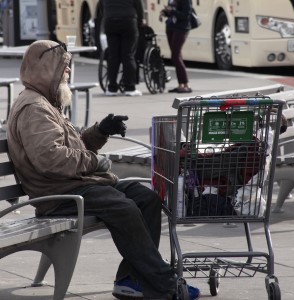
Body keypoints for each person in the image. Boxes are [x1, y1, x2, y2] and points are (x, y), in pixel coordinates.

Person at [6, 40, 200, 300]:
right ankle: (164, 284)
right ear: (46, 69)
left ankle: (130, 279)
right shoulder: (34, 108)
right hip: (58, 193)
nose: (68, 73)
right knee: (123, 207)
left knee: (146, 198)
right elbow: (51, 159)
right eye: (64, 68)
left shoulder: (45, 102)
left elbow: (70, 149)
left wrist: (101, 132)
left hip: (76, 183)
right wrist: (94, 162)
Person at [99, 0, 144, 97]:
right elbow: (139, 7)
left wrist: (109, 15)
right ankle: (130, 88)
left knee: (113, 56)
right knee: (128, 55)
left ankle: (112, 88)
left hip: (110, 21)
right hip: (128, 21)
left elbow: (101, 7)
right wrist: (139, 21)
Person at [159, 0, 193, 93]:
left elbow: (186, 15)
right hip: (171, 27)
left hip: (181, 28)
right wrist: (163, 12)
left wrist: (171, 11)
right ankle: (180, 84)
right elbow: (170, 10)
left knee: (175, 55)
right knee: (176, 55)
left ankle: (186, 84)